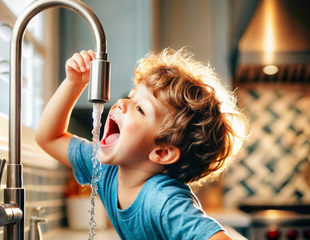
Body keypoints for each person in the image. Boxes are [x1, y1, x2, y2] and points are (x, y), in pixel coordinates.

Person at [36, 48, 247, 240]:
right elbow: (49, 138)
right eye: (131, 96)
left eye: (140, 109)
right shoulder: (106, 170)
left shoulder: (163, 199)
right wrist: (74, 83)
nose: (121, 103)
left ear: (162, 152)